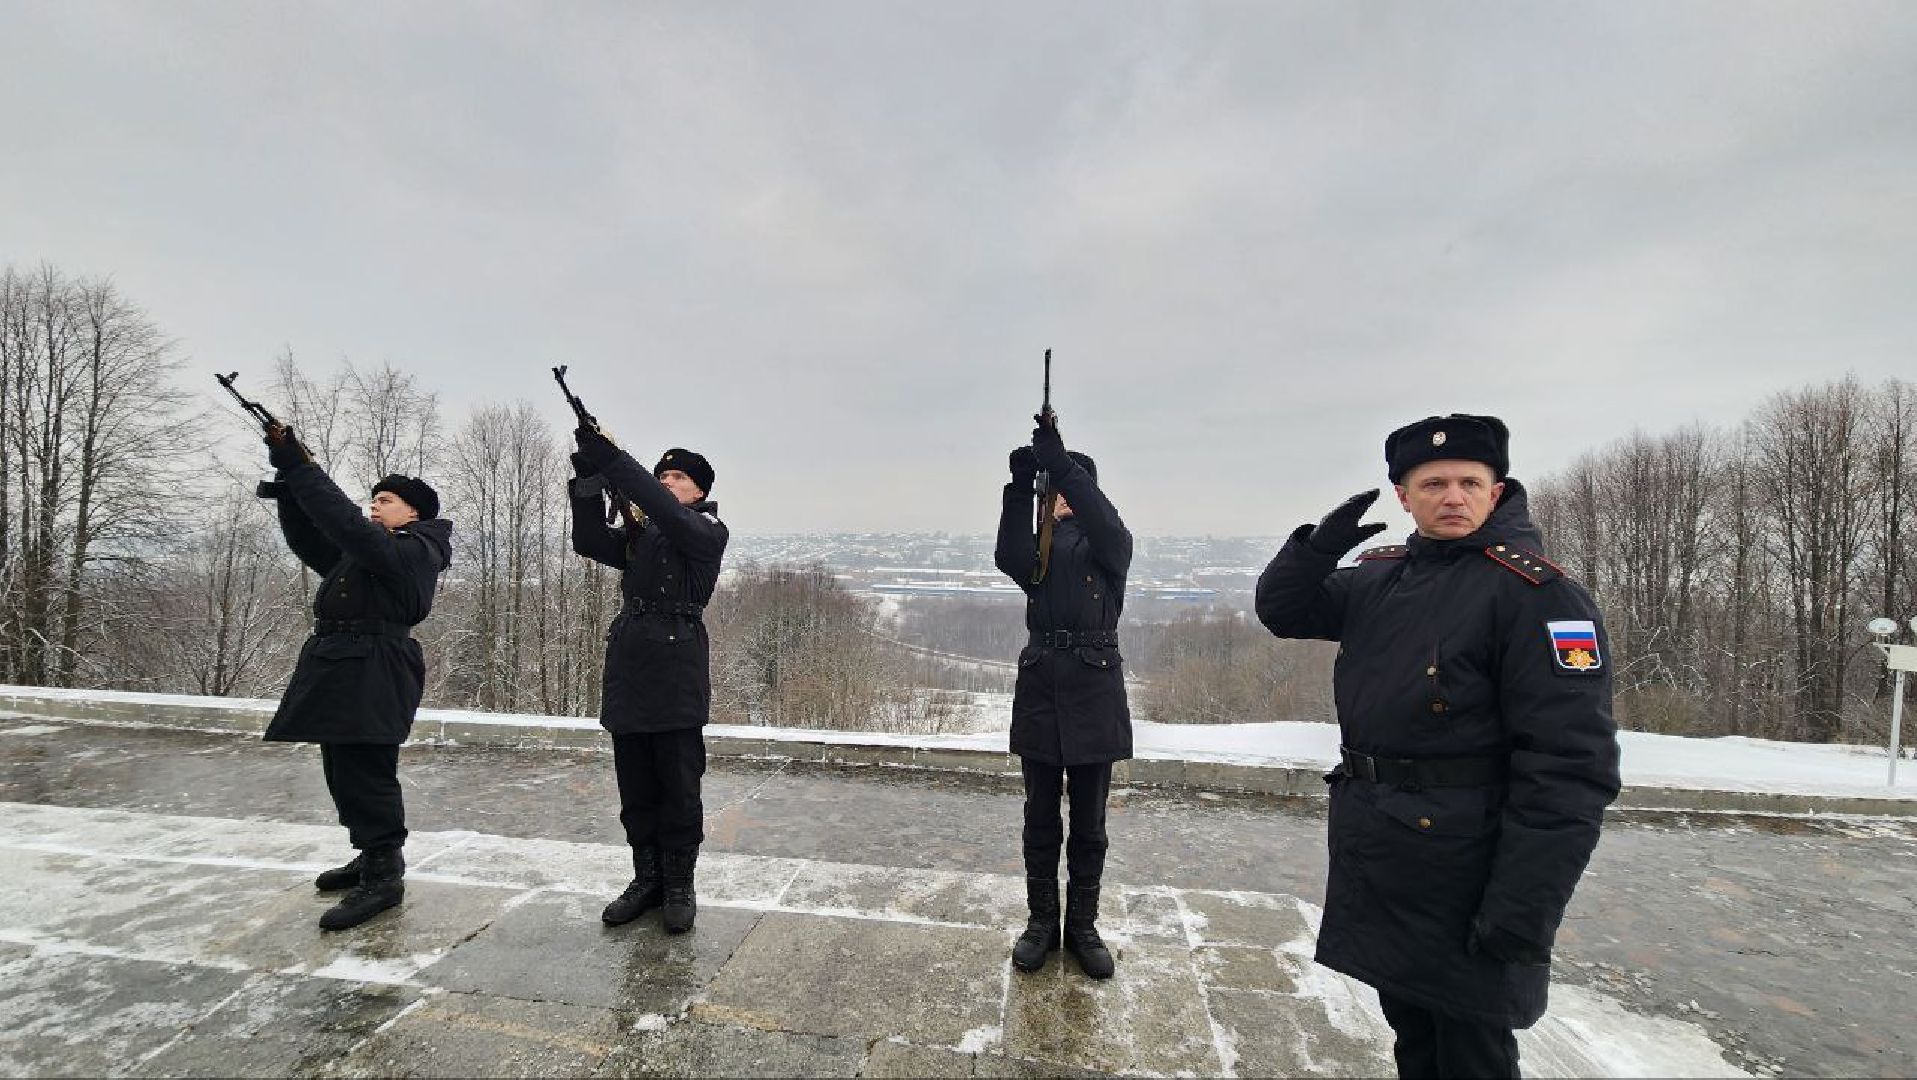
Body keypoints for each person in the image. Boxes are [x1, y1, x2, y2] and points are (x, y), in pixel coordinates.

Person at [1254, 413, 1620, 1078]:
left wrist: (1520, 912)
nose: (1452, 496)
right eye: (1432, 483)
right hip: (1387, 855)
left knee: (1472, 1053)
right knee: (1415, 1036)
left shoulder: (1539, 596)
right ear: (1403, 496)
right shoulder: (1381, 577)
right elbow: (1284, 611)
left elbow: (1571, 770)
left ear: (1495, 488)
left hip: (1471, 873)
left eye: (1467, 482)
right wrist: (1313, 551)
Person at [259, 428, 452, 932]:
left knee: (367, 769)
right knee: (341, 767)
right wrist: (289, 483)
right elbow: (310, 539)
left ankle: (385, 875)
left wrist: (303, 468)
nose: (373, 507)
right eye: (372, 499)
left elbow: (346, 527)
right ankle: (368, 855)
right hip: (343, 663)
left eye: (384, 501)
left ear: (412, 512)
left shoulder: (414, 551)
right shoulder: (373, 553)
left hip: (376, 667)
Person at [570, 428, 727, 934]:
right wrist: (591, 481)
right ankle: (648, 877)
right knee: (635, 782)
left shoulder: (705, 531)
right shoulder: (645, 536)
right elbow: (589, 540)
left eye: (678, 477)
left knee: (678, 783)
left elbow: (665, 512)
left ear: (699, 491)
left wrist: (616, 461)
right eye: (662, 476)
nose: (667, 483)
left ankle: (680, 881)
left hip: (677, 664)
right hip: (631, 663)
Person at [993, 416, 1132, 979]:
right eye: (1057, 494)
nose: (1064, 501)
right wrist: (1021, 485)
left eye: (1071, 491)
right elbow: (1009, 555)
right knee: (1040, 816)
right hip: (1042, 684)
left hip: (1094, 686)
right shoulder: (1041, 546)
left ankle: (1083, 927)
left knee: (1091, 823)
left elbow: (1100, 521)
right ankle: (1042, 922)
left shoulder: (1110, 543)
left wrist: (1067, 471)